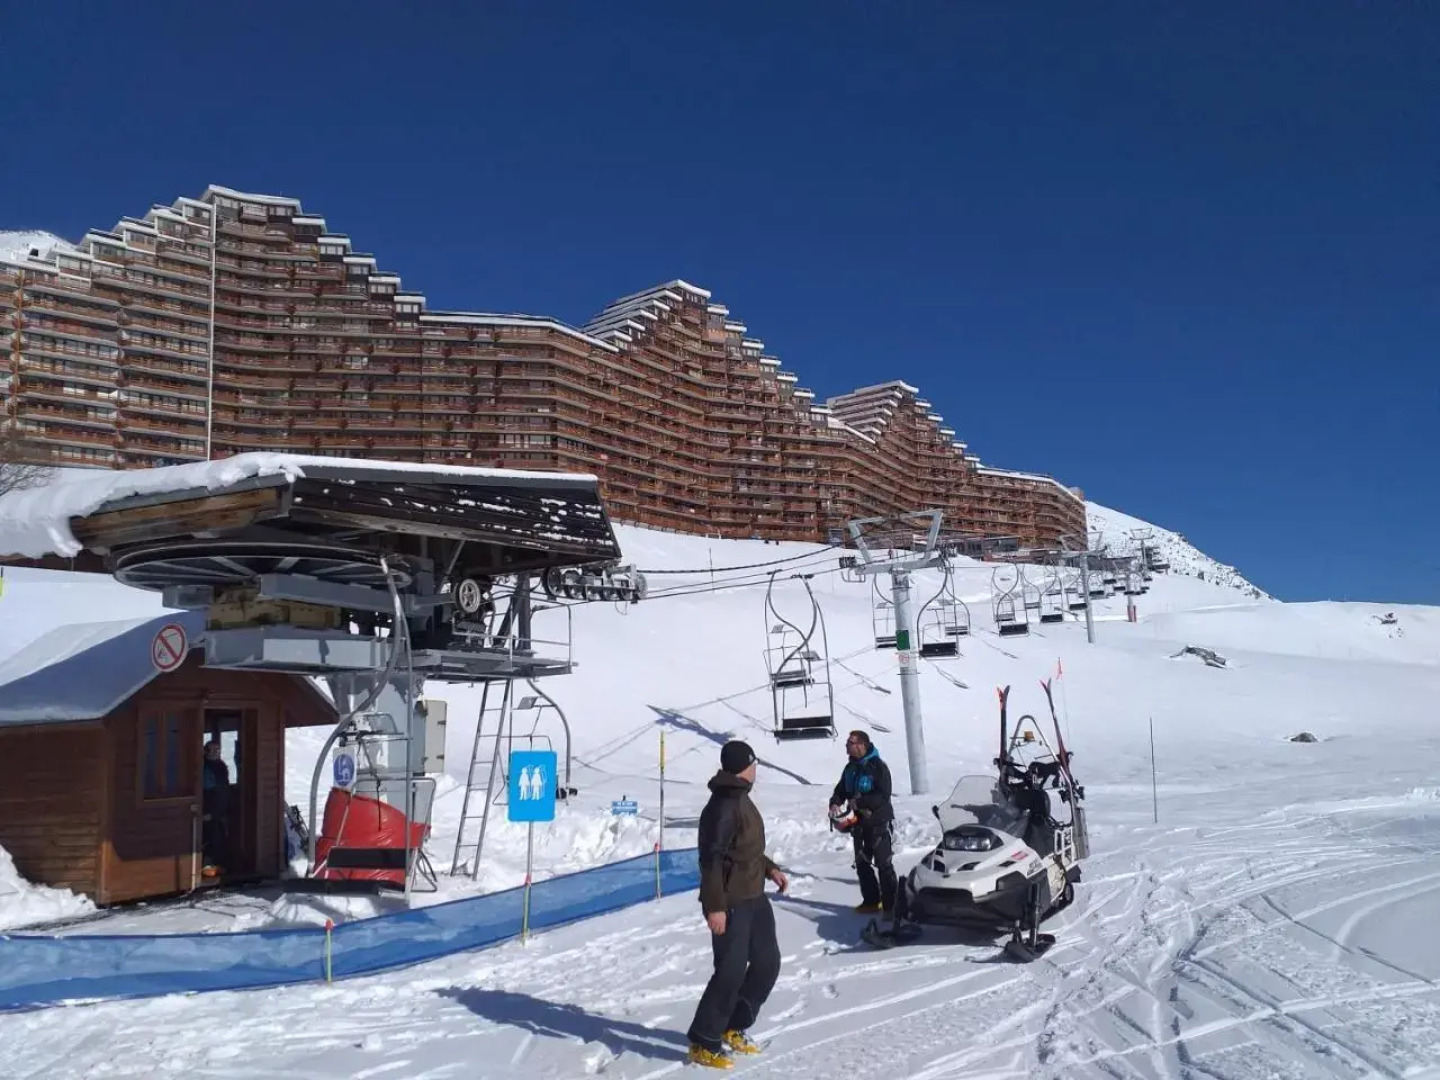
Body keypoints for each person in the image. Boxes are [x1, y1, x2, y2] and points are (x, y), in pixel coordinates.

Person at [686, 740, 789, 1070]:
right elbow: (711, 859)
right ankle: (704, 1039)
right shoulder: (722, 805)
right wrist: (715, 906)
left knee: (767, 962)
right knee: (730, 971)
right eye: (754, 764)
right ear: (744, 767)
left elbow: (746, 849)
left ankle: (733, 1025)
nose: (756, 769)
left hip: (754, 896)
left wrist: (769, 867)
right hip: (729, 901)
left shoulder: (740, 798)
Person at [829, 730, 896, 915]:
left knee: (884, 864)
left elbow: (883, 795)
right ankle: (871, 901)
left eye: (850, 743)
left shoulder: (878, 767)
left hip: (878, 822)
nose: (847, 746)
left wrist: (860, 802)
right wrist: (835, 802)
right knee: (862, 862)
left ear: (861, 745)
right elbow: (841, 789)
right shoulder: (850, 768)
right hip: (858, 823)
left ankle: (892, 905)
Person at [201, 739, 230, 878]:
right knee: (208, 837)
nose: (215, 753)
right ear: (206, 751)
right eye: (212, 750)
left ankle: (218, 865)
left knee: (220, 836)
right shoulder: (203, 767)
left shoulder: (222, 766)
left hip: (221, 806)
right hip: (208, 806)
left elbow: (224, 787)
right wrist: (207, 812)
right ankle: (206, 865)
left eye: (217, 750)